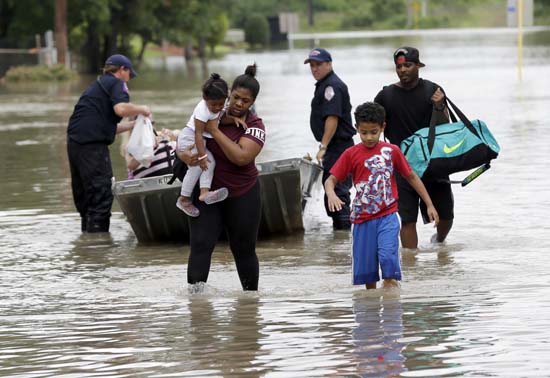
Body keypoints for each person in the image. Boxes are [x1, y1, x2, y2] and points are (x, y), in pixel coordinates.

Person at [325, 102, 439, 289]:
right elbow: (330, 180)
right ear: (357, 129)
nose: (369, 137)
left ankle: (392, 305)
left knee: (388, 259)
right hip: (362, 220)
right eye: (364, 133)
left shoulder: (391, 151)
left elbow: (411, 176)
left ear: (383, 127)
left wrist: (429, 204)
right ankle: (371, 311)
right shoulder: (350, 154)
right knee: (368, 278)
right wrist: (331, 194)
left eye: (374, 132)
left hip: (387, 216)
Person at [176, 64, 265, 291]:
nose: (238, 103)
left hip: (243, 193)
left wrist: (214, 130)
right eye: (235, 97)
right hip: (207, 194)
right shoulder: (208, 111)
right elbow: (186, 138)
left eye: (245, 101)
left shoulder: (255, 126)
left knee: (243, 249)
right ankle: (196, 306)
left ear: (252, 103)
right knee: (200, 245)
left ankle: (250, 304)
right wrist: (182, 154)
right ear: (228, 94)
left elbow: (242, 157)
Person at [374, 46, 452, 249]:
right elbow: (373, 128)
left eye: (407, 65)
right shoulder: (386, 96)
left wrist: (440, 106)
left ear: (418, 66)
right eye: (398, 66)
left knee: (446, 215)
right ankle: (410, 260)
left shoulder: (433, 90)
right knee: (408, 219)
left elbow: (446, 128)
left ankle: (439, 242)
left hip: (432, 162)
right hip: (402, 165)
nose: (403, 70)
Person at [67, 54, 151, 233]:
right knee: (101, 193)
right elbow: (120, 109)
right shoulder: (116, 83)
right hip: (92, 146)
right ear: (122, 70)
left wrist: (133, 125)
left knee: (86, 199)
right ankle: (100, 248)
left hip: (75, 144)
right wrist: (142, 109)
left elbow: (105, 128)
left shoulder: (97, 87)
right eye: (129, 74)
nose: (129, 80)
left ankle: (87, 244)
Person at [175, 73, 246, 217]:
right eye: (214, 104)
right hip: (190, 137)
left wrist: (233, 120)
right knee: (197, 167)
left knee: (210, 162)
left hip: (198, 140)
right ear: (205, 99)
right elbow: (198, 134)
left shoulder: (217, 107)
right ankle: (184, 198)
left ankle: (204, 193)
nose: (218, 107)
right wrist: (201, 156)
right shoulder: (202, 110)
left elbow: (220, 116)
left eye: (221, 103)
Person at [305, 48, 356, 230]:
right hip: (335, 148)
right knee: (332, 192)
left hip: (338, 148)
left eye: (318, 65)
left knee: (338, 191)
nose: (314, 69)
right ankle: (341, 238)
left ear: (329, 64)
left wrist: (324, 146)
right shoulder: (325, 84)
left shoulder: (331, 86)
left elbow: (332, 118)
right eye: (312, 65)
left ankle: (344, 240)